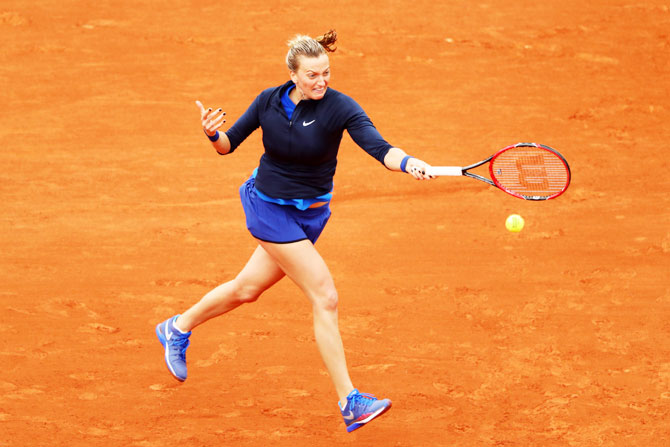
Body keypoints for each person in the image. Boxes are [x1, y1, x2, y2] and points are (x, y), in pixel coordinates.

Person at [156, 29, 435, 433]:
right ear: (293, 74)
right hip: (267, 207)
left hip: (310, 215)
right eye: (311, 75)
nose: (321, 82)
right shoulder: (268, 101)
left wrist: (407, 162)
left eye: (326, 73)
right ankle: (350, 401)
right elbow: (228, 144)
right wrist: (212, 134)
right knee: (325, 295)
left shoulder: (341, 107)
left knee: (246, 289)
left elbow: (378, 146)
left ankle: (177, 327)